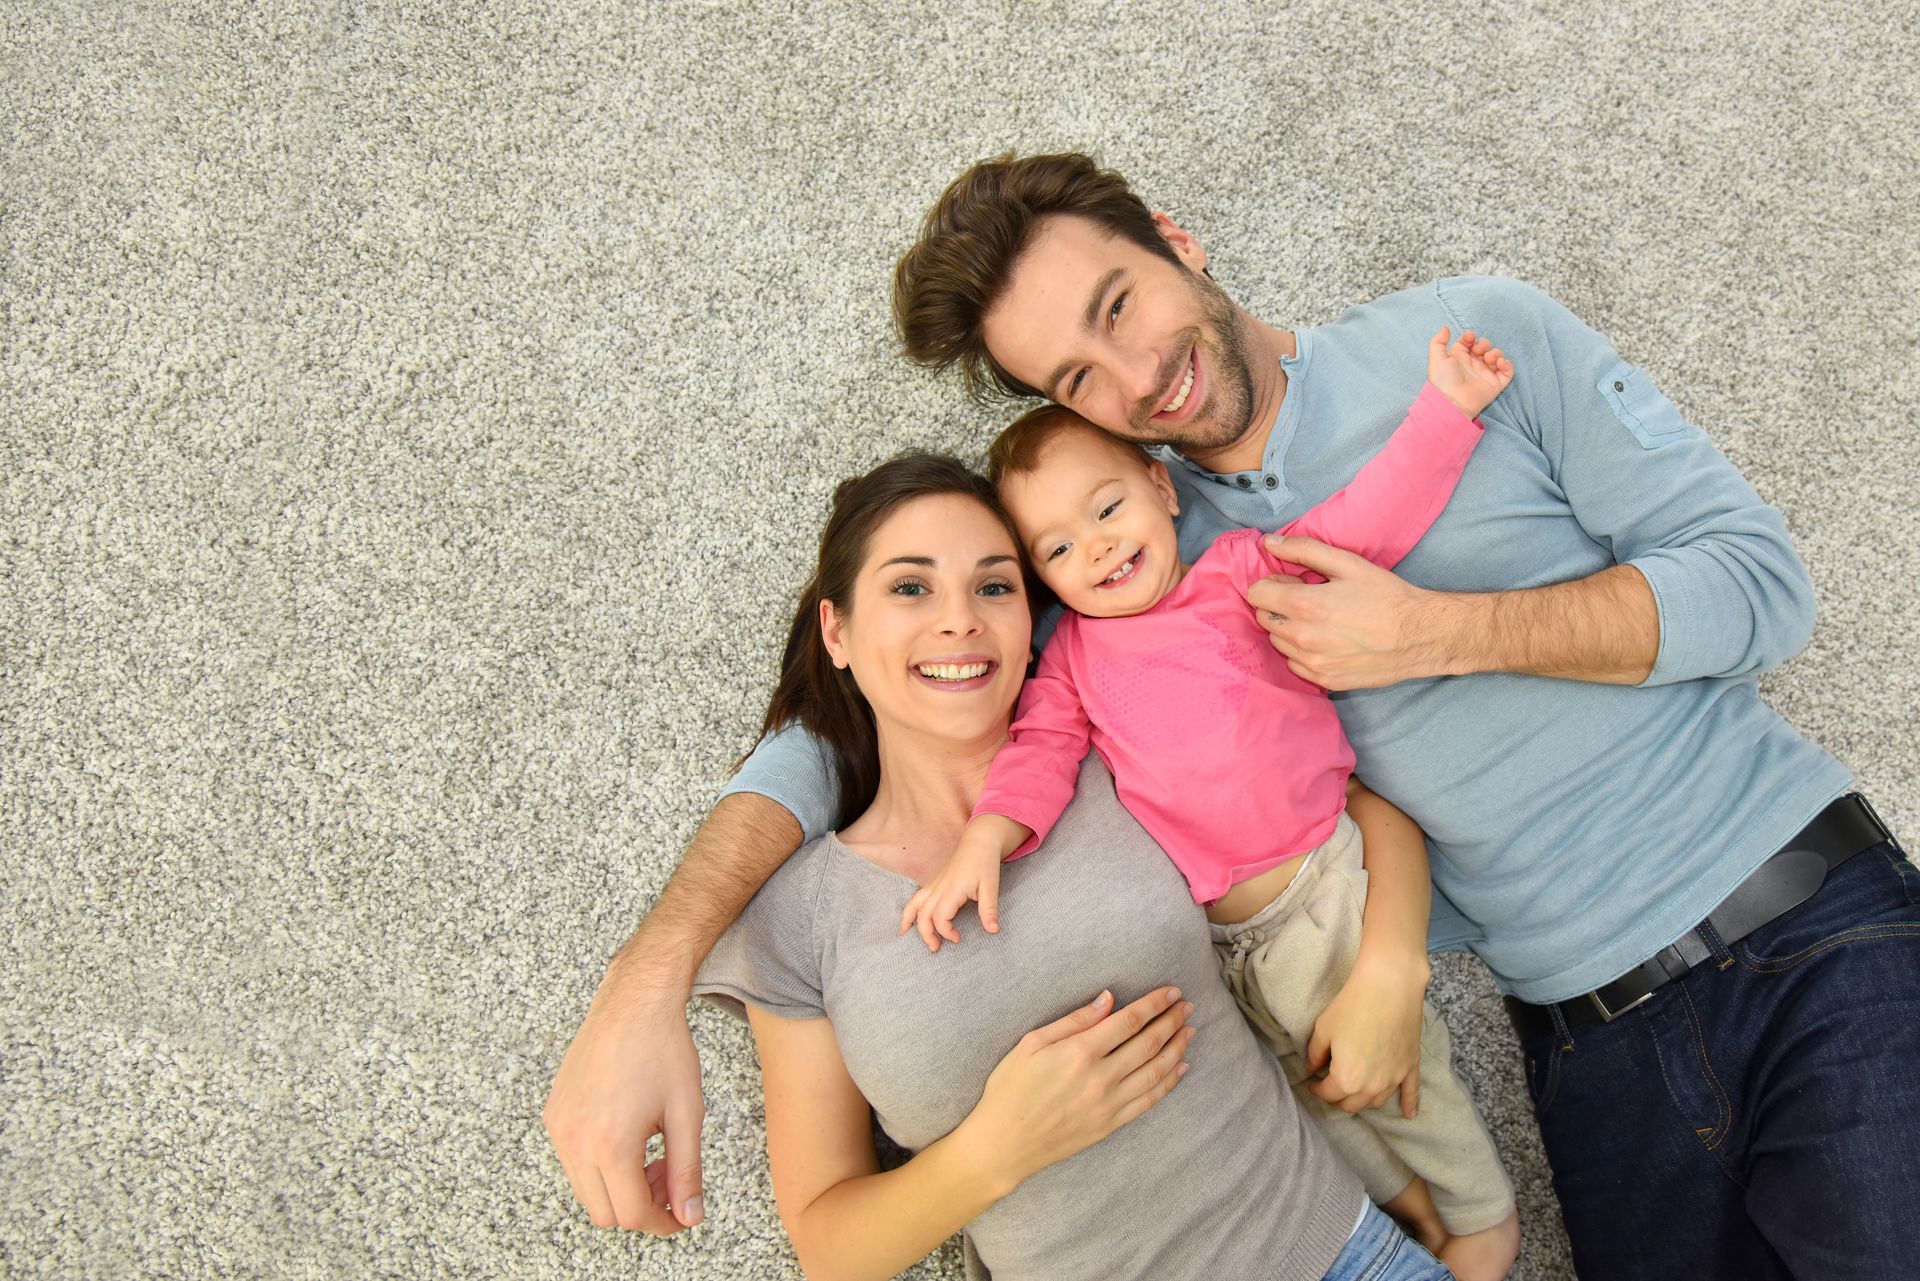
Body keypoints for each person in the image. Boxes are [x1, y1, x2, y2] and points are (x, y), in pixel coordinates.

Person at [545, 153, 1918, 1281]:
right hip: (1582, 1045)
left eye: (1119, 307)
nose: (1134, 377)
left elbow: (1760, 589)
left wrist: (1436, 629)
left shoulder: (1467, 339)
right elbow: (872, 695)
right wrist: (646, 980)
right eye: (1076, 381)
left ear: (1178, 240)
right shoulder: (1128, 563)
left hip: (1802, 925)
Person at [689, 453, 1452, 1280]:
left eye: (994, 586)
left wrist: (1392, 966)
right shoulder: (799, 913)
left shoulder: (1112, 749)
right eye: (911, 587)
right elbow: (831, 1250)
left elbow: (1355, 815)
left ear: (1031, 622)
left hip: (1338, 1254)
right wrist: (996, 1149)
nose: (959, 620)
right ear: (837, 632)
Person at [898, 333, 1518, 1278]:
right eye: (1059, 548)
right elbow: (1040, 752)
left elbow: (1364, 523)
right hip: (1220, 951)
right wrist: (987, 836)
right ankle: (1413, 1212)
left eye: (1106, 508)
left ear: (1162, 487)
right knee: (1305, 1103)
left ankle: (1481, 1219)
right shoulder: (1069, 658)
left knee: (1402, 1084)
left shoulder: (1236, 575)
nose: (1096, 545)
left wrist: (1448, 409)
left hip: (1314, 891)